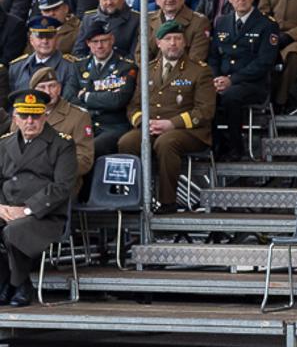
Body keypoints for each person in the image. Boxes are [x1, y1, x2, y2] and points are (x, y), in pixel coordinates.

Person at [117, 22, 212, 214]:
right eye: (168, 39)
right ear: (158, 43)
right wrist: (143, 123)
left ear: (185, 42)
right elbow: (134, 106)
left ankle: (167, 202)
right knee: (127, 142)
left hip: (188, 131)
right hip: (151, 127)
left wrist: (172, 124)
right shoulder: (147, 69)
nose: (173, 43)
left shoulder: (199, 71)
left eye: (177, 38)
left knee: (166, 143)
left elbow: (205, 111)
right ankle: (133, 199)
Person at [0, 90, 75, 307]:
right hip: (7, 208)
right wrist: (2, 207)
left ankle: (20, 284)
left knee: (13, 231)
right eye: (24, 116)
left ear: (45, 116)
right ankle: (5, 282)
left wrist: (26, 210)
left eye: (35, 116)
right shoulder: (4, 144)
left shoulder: (62, 144)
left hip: (45, 215)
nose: (30, 121)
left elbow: (62, 186)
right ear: (15, 118)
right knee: (8, 228)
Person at [206, 0, 277, 158]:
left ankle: (236, 147)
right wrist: (216, 78)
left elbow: (264, 62)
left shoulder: (267, 24)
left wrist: (231, 80)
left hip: (253, 84)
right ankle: (214, 143)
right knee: (204, 94)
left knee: (231, 96)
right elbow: (213, 56)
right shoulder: (221, 22)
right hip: (223, 80)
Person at [71, 20, 136, 161]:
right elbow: (70, 98)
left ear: (112, 40)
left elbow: (118, 100)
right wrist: (101, 99)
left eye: (104, 40)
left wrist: (86, 97)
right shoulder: (78, 66)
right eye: (95, 42)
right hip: (85, 124)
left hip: (113, 127)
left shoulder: (125, 66)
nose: (99, 46)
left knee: (91, 149)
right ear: (88, 43)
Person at [29, 68, 93, 189]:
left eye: (52, 86)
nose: (48, 92)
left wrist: (51, 169)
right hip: (25, 181)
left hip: (60, 183)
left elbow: (85, 160)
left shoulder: (78, 116)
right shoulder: (23, 116)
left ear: (59, 88)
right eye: (42, 88)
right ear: (33, 92)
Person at [9, 17, 80, 96]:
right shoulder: (17, 67)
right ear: (31, 40)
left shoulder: (71, 67)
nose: (45, 41)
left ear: (56, 39)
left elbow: (69, 100)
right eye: (40, 37)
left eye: (49, 37)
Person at [146, 0, 210, 63]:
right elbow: (141, 55)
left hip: (184, 74)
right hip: (151, 74)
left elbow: (196, 59)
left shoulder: (199, 22)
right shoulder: (147, 20)